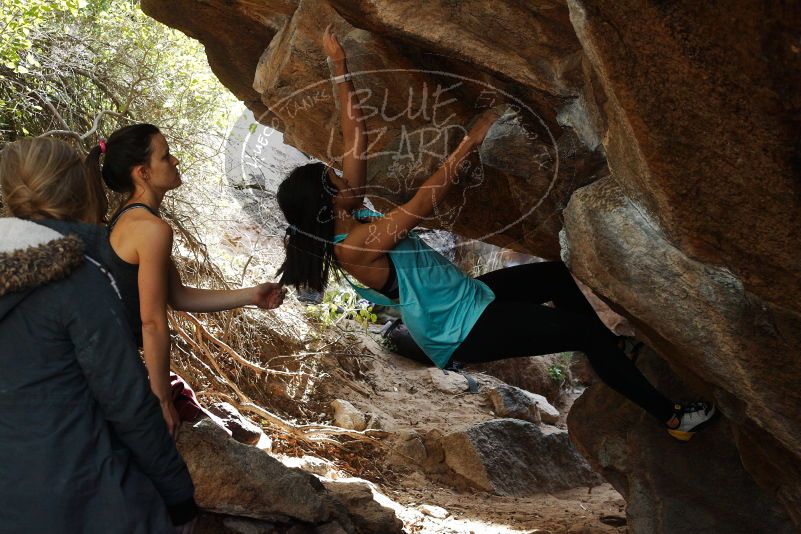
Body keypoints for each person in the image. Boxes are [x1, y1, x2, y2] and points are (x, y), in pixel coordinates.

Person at [276, 26, 716, 442]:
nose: (343, 173)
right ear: (328, 200)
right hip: (463, 329)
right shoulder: (355, 247)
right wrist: (471, 140)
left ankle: (613, 349)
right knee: (583, 332)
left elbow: (358, 133)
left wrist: (338, 63)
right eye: (334, 176)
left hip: (468, 297)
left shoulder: (353, 212)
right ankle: (673, 418)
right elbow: (422, 203)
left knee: (555, 277)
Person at [0, 137, 197, 533]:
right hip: (76, 489)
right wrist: (178, 495)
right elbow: (126, 400)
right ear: (79, 188)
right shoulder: (77, 277)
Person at [85, 123, 286, 436]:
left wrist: (251, 295)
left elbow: (177, 296)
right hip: (110, 366)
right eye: (165, 157)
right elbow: (152, 322)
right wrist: (162, 400)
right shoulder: (150, 229)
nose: (175, 161)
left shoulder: (130, 216)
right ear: (143, 173)